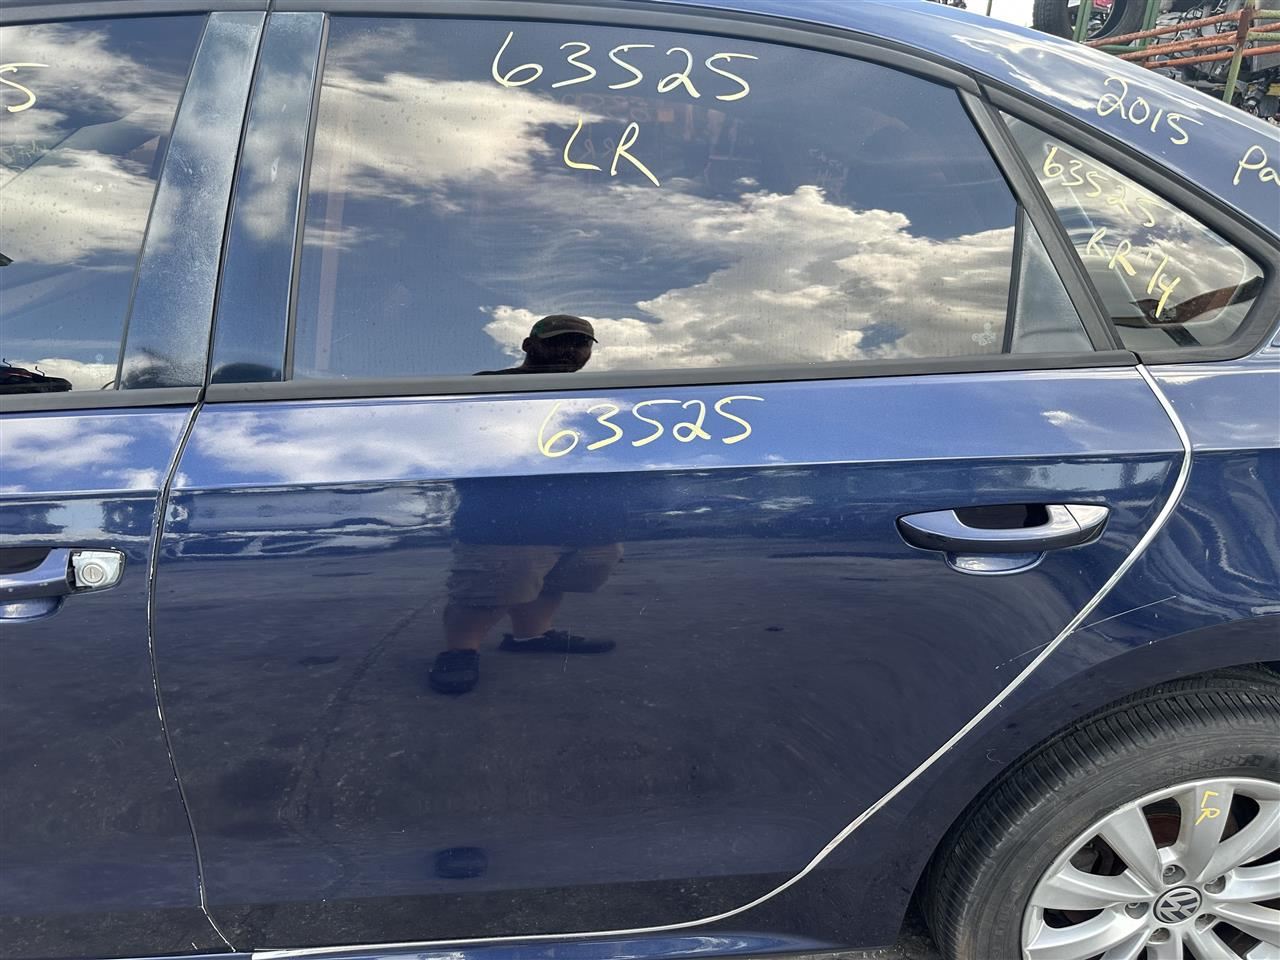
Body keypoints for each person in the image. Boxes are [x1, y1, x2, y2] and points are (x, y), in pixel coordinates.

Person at [429, 315, 622, 695]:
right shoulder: (489, 386)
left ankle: (531, 636)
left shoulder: (596, 395)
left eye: (581, 343)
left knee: (556, 575)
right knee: (494, 584)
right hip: (509, 517)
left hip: (586, 517)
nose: (571, 350)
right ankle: (460, 651)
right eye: (559, 341)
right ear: (528, 345)